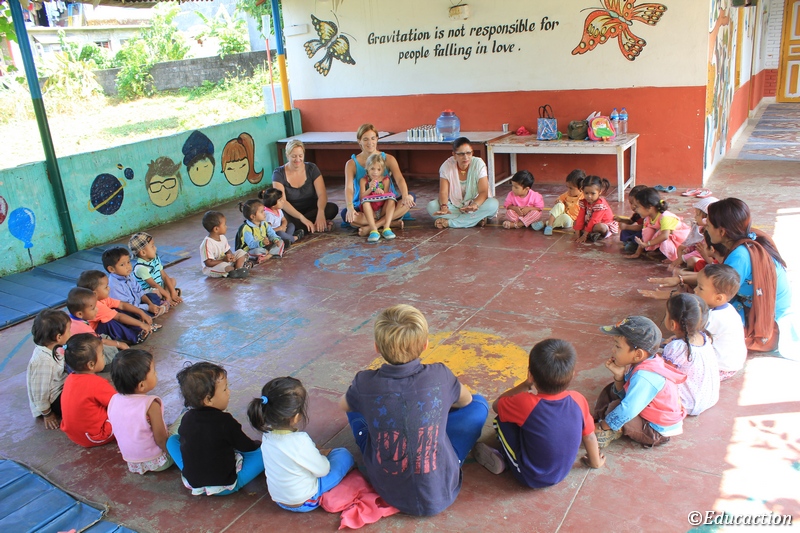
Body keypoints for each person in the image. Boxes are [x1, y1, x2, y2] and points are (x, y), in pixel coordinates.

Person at [339, 304, 489, 516]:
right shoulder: (441, 374)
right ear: (425, 345)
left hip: (386, 486)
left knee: (355, 405)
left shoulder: (364, 382)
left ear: (377, 347)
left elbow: (344, 405)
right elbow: (467, 401)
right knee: (479, 405)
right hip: (441, 486)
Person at [473, 339, 604, 486]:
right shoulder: (578, 399)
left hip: (529, 477)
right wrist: (595, 462)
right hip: (562, 472)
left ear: (530, 375)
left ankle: (505, 459)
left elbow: (497, 405)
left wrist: (526, 384)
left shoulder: (525, 403)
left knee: (501, 421)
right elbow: (589, 436)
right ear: (572, 374)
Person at [247, 377, 354, 512]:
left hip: (279, 499)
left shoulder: (267, 436)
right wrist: (322, 455)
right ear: (296, 417)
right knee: (344, 455)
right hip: (305, 501)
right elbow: (323, 470)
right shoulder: (300, 441)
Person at [706, 198, 793, 353]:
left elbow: (715, 291)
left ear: (722, 232)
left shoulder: (739, 256)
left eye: (708, 225)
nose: (706, 228)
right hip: (777, 309)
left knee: (703, 315)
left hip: (772, 320)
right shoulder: (751, 237)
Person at [166, 362, 264, 496]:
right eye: (225, 389)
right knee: (264, 452)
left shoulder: (186, 418)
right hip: (224, 486)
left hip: (193, 482)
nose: (229, 392)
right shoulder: (225, 421)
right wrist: (258, 444)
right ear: (208, 400)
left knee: (172, 441)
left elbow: (187, 439)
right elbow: (247, 447)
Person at [594, 316, 686, 448]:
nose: (613, 350)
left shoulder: (645, 376)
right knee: (611, 389)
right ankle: (602, 421)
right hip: (644, 410)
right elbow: (627, 395)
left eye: (618, 346)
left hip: (656, 430)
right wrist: (619, 377)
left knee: (618, 408)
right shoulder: (645, 362)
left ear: (638, 355)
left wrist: (602, 426)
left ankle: (604, 428)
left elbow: (628, 409)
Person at [108, 349, 174, 474]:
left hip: (133, 463)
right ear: (142, 385)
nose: (156, 374)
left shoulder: (114, 400)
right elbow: (161, 440)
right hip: (159, 462)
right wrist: (175, 455)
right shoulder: (151, 405)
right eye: (154, 372)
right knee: (183, 419)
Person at [344, 124, 414, 236]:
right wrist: (350, 207)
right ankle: (390, 222)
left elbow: (400, 179)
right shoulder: (351, 163)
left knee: (410, 198)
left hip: (387, 203)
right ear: (359, 141)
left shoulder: (389, 159)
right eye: (365, 139)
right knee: (347, 215)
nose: (370, 142)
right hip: (365, 205)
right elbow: (348, 188)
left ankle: (373, 227)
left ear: (377, 139)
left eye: (373, 138)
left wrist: (405, 195)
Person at [661, 294, 719, 416]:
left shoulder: (677, 348)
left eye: (666, 314)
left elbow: (665, 374)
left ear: (673, 324)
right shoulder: (704, 337)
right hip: (709, 398)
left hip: (688, 404)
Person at [427, 137, 499, 229]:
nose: (466, 157)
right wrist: (444, 207)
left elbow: (483, 192)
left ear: (472, 152)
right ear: (454, 155)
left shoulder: (479, 163)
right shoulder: (446, 166)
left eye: (468, 153)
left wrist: (474, 205)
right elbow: (443, 192)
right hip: (455, 207)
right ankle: (474, 219)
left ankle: (450, 222)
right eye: (461, 154)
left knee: (493, 204)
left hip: (476, 205)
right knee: (432, 206)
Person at [59, 333, 116, 447]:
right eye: (102, 354)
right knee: (126, 413)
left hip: (75, 436)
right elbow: (118, 403)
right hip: (96, 436)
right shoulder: (96, 384)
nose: (103, 357)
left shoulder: (70, 378)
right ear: (91, 364)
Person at [272, 140, 338, 234]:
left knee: (332, 208)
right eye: (294, 156)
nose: (297, 159)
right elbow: (282, 201)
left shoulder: (312, 168)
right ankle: (314, 226)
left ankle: (301, 228)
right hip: (291, 212)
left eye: (300, 156)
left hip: (311, 208)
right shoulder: (278, 173)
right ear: (287, 155)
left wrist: (320, 212)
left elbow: (322, 194)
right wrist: (302, 218)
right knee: (279, 216)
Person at [694, 264, 747, 380]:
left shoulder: (714, 318)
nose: (695, 290)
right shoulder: (728, 308)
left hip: (720, 368)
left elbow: (694, 341)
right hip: (732, 364)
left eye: (700, 288)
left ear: (718, 298)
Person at [77, 270, 154, 345]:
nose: (109, 288)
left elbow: (122, 305)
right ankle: (134, 338)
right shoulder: (96, 305)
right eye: (106, 287)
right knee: (108, 321)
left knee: (117, 309)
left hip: (103, 326)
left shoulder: (102, 299)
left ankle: (138, 329)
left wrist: (141, 312)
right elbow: (119, 317)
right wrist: (140, 324)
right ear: (95, 294)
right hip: (96, 335)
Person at [27, 309, 71, 430]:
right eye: (69, 331)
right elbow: (39, 392)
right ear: (58, 337)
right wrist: (47, 414)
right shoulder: (43, 361)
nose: (71, 333)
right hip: (54, 400)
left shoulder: (51, 348)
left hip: (61, 387)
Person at [625, 187, 689, 261]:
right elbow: (645, 236)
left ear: (649, 207)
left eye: (638, 207)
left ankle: (674, 257)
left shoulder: (665, 217)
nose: (635, 209)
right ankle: (661, 251)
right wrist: (637, 253)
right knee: (648, 231)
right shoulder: (648, 218)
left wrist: (647, 244)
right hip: (667, 236)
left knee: (661, 234)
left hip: (681, 238)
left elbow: (665, 236)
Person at [66, 287, 125, 365]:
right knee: (109, 350)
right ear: (80, 314)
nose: (97, 309)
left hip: (77, 348)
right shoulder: (83, 328)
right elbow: (99, 341)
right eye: (93, 308)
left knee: (104, 337)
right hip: (81, 356)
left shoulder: (71, 318)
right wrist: (119, 344)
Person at [103, 247, 168, 317]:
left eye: (128, 262)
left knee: (153, 296)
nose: (128, 266)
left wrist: (150, 304)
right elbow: (127, 306)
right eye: (122, 264)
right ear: (111, 269)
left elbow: (140, 292)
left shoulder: (129, 276)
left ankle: (153, 310)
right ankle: (154, 311)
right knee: (128, 314)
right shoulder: (114, 285)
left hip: (138, 304)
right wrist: (148, 307)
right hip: (128, 308)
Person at [129, 232, 182, 307]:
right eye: (152, 246)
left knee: (172, 280)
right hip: (149, 291)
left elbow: (164, 276)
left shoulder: (155, 259)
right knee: (156, 292)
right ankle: (166, 298)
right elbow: (153, 285)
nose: (155, 248)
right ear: (143, 252)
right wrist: (168, 296)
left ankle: (166, 297)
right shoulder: (140, 268)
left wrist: (173, 292)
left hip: (159, 286)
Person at [670, 196, 719, 271]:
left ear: (706, 218)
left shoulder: (711, 233)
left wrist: (683, 258)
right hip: (700, 254)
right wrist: (687, 250)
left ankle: (685, 267)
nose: (695, 217)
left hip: (709, 259)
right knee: (681, 248)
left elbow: (701, 252)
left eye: (697, 215)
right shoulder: (702, 229)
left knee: (692, 261)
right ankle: (680, 264)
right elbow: (695, 245)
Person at [533, 169, 586, 235]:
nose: (568, 190)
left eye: (571, 188)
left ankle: (545, 223)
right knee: (560, 205)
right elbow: (559, 199)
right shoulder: (567, 194)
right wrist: (559, 201)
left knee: (565, 218)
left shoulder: (584, 198)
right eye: (568, 187)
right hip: (562, 213)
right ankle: (549, 226)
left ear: (581, 188)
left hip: (571, 220)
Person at [359, 153, 398, 242]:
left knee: (391, 199)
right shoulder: (363, 180)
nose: (375, 172)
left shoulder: (385, 180)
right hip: (370, 212)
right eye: (372, 169)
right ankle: (374, 230)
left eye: (378, 169)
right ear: (367, 168)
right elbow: (361, 197)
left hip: (383, 210)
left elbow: (387, 196)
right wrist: (370, 189)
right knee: (364, 203)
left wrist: (381, 193)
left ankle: (386, 227)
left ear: (382, 170)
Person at [199, 211, 249, 279]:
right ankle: (235, 270)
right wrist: (224, 260)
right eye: (224, 225)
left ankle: (238, 269)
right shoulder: (207, 243)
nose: (226, 227)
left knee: (241, 252)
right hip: (213, 267)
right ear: (216, 229)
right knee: (224, 267)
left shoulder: (222, 237)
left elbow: (227, 250)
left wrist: (231, 256)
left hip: (225, 261)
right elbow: (208, 263)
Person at [573, 175, 619, 243]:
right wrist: (577, 232)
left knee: (599, 227)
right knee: (575, 222)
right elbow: (580, 217)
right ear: (582, 191)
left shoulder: (600, 204)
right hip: (590, 222)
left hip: (602, 224)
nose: (589, 196)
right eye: (586, 193)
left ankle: (589, 233)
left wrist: (584, 235)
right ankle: (591, 234)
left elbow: (595, 220)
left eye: (593, 193)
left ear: (599, 192)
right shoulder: (584, 202)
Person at [615, 184, 647, 253]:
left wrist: (626, 227)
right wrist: (621, 220)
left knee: (640, 234)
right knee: (625, 231)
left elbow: (642, 227)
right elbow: (630, 221)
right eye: (631, 203)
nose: (632, 207)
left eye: (635, 204)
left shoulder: (646, 215)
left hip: (645, 233)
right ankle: (630, 242)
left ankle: (635, 245)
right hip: (638, 232)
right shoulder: (637, 214)